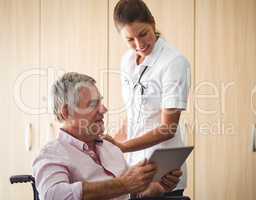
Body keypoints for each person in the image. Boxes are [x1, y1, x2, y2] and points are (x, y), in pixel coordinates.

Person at [32, 72, 182, 200]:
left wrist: (157, 187)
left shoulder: (110, 148)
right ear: (66, 112)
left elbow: (131, 193)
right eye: (93, 104)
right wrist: (123, 184)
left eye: (101, 102)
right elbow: (53, 195)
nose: (104, 109)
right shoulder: (51, 154)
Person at [105, 0, 191, 196]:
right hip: (133, 173)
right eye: (130, 39)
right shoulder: (127, 61)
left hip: (163, 175)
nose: (139, 44)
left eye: (143, 34)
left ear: (152, 23)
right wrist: (109, 147)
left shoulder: (174, 62)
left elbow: (168, 128)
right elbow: (133, 116)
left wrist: (123, 147)